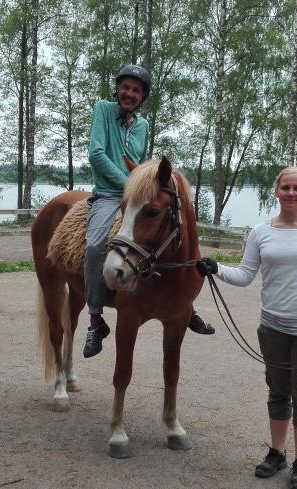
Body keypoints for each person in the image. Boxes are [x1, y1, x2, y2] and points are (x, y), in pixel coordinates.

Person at [196, 166, 297, 489]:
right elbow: (246, 275)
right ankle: (277, 453)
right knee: (277, 393)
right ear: (276, 191)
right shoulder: (261, 232)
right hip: (272, 327)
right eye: (285, 188)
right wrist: (216, 268)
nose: (291, 193)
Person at [83, 64, 215, 359]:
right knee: (94, 245)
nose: (129, 93)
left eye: (136, 90)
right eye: (125, 87)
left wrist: (144, 185)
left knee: (174, 238)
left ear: (142, 97)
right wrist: (131, 185)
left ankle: (186, 307)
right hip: (109, 194)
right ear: (117, 89)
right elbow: (96, 154)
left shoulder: (142, 126)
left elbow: (141, 164)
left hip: (138, 195)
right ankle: (94, 319)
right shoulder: (102, 110)